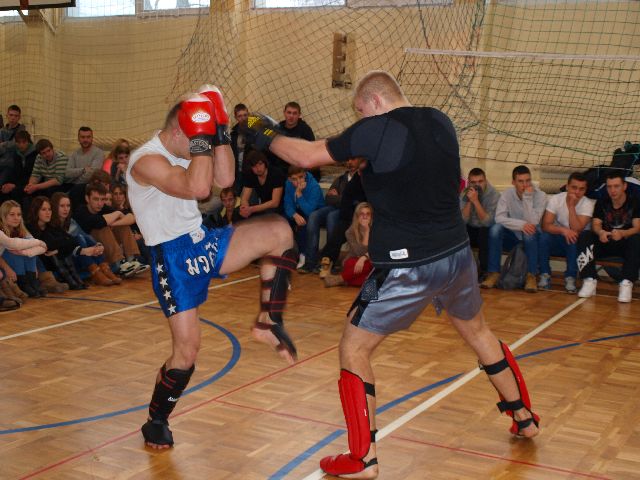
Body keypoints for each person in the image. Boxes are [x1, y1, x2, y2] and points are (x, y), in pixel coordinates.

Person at [244, 70, 539, 479]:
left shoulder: (378, 128)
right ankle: (524, 417)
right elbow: (412, 175)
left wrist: (262, 131)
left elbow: (306, 156)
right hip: (456, 255)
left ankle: (363, 459)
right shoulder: (440, 120)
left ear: (376, 102)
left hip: (408, 265)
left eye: (360, 111)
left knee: (354, 348)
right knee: (479, 333)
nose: (360, 119)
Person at [126, 87, 299, 450]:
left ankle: (268, 320)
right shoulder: (145, 160)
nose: (195, 148)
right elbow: (199, 186)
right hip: (172, 260)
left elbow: (225, 180)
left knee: (280, 232)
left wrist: (218, 129)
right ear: (180, 131)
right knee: (187, 353)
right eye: (193, 139)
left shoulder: (189, 143)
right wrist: (203, 136)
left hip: (202, 240)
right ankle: (156, 420)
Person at [480, 165, 547, 292]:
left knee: (529, 232)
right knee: (495, 229)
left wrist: (527, 198)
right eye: (521, 181)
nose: (525, 185)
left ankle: (531, 276)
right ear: (513, 182)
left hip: (533, 237)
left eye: (528, 180)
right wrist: (521, 225)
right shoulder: (507, 194)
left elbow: (533, 222)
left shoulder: (541, 196)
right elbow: (499, 218)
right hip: (513, 235)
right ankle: (494, 273)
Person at [576, 171, 640, 302]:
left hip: (625, 244)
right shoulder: (602, 202)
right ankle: (589, 279)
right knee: (585, 235)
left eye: (616, 186)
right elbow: (595, 224)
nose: (612, 190)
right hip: (605, 242)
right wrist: (600, 232)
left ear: (624, 186)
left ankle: (626, 282)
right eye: (609, 187)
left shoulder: (635, 202)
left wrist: (623, 233)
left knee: (636, 239)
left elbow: (637, 227)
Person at [539, 172, 594, 293]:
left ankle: (570, 277)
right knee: (544, 237)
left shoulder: (587, 204)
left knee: (573, 237)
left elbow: (576, 229)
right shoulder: (556, 199)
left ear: (585, 190)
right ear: (567, 187)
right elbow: (545, 225)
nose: (577, 192)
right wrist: (563, 230)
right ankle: (544, 274)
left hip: (577, 243)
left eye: (581, 189)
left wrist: (571, 206)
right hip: (559, 238)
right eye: (574, 187)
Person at [51, 191, 120, 286]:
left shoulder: (71, 222)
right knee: (79, 238)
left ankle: (104, 269)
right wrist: (85, 250)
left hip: (80, 257)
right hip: (65, 260)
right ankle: (95, 272)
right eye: (62, 206)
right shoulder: (51, 225)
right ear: (55, 207)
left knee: (84, 237)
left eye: (68, 206)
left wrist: (97, 245)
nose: (66, 209)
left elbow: (85, 236)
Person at [0, 199, 47, 298]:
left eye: (19, 215)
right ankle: (22, 283)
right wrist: (7, 268)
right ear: (3, 216)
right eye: (12, 214)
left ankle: (32, 280)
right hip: (5, 266)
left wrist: (25, 253)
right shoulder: (1, 231)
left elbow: (42, 248)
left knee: (26, 249)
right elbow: (14, 244)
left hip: (24, 267)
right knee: (16, 249)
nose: (16, 218)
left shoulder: (22, 230)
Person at [283, 166, 325, 272]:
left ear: (305, 175)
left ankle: (304, 255)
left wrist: (299, 193)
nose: (298, 181)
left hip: (316, 211)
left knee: (305, 222)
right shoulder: (288, 184)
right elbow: (287, 203)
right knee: (283, 220)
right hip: (298, 210)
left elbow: (309, 210)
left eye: (301, 177)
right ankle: (287, 253)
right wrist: (294, 215)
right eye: (294, 179)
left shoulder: (314, 186)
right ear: (289, 179)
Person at [460, 167, 500, 279]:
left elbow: (487, 222)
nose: (477, 185)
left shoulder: (494, 195)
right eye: (473, 182)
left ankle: (484, 270)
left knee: (485, 232)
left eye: (480, 181)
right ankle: (464, 271)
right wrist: (469, 201)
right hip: (470, 227)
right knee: (459, 231)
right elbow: (462, 220)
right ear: (469, 183)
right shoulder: (464, 193)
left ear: (485, 181)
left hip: (486, 229)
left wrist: (476, 201)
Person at [324, 202, 374, 288]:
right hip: (354, 260)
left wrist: (364, 258)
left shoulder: (377, 230)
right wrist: (366, 232)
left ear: (371, 217)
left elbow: (377, 251)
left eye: (368, 214)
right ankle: (364, 280)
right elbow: (359, 252)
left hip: (370, 261)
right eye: (361, 214)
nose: (365, 216)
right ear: (357, 216)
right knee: (349, 264)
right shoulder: (349, 232)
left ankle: (341, 279)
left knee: (370, 264)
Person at [239, 150, 285, 219]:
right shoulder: (250, 174)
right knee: (240, 212)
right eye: (254, 166)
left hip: (280, 206)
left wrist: (251, 209)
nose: (258, 169)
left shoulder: (276, 173)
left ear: (265, 163)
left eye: (260, 164)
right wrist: (244, 207)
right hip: (263, 205)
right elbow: (244, 197)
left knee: (267, 215)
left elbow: (275, 203)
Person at [23, 139, 69, 204]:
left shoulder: (61, 157)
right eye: (43, 153)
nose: (47, 154)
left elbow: (58, 180)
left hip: (63, 184)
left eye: (48, 151)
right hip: (47, 182)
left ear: (52, 149)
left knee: (49, 191)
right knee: (27, 192)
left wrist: (36, 187)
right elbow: (35, 174)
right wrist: (31, 185)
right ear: (40, 154)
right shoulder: (39, 157)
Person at [0, 130, 37, 205]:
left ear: (28, 142)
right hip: (18, 182)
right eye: (18, 142)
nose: (21, 145)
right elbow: (16, 173)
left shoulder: (35, 154)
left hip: (30, 183)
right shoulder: (16, 154)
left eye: (24, 142)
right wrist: (7, 184)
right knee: (3, 189)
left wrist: (14, 185)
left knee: (15, 192)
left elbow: (32, 175)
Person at [230, 103, 251, 195]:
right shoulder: (233, 134)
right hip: (237, 172)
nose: (243, 118)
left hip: (251, 172)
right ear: (236, 117)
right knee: (236, 195)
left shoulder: (255, 131)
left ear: (248, 115)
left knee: (250, 199)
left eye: (245, 115)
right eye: (240, 116)